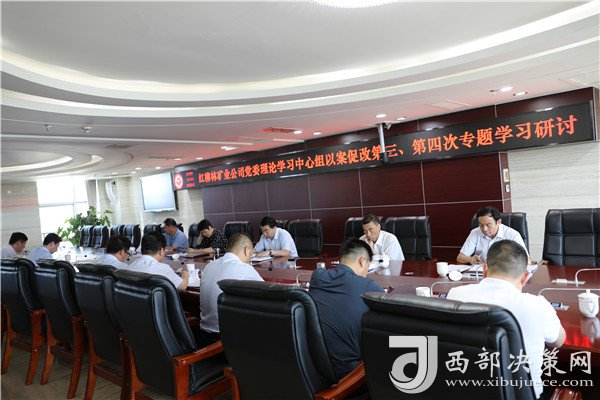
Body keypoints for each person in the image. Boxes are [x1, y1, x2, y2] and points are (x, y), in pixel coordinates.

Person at [447, 240, 565, 399]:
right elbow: (558, 341)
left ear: (484, 270)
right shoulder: (537, 305)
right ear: (524, 278)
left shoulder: (455, 295)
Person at [309, 239, 385, 380]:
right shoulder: (368, 286)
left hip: (313, 368)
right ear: (362, 261)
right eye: (368, 267)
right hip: (349, 375)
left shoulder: (317, 276)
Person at [199, 233, 263, 346]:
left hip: (204, 336)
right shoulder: (244, 268)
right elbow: (268, 294)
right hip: (228, 343)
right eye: (251, 254)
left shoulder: (209, 266)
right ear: (247, 250)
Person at [457, 206, 529, 265]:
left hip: (505, 273)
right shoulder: (475, 232)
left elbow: (526, 260)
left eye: (488, 225)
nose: (484, 229)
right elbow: (460, 257)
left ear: (498, 222)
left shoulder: (512, 234)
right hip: (481, 273)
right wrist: (470, 259)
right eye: (481, 225)